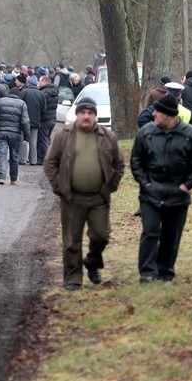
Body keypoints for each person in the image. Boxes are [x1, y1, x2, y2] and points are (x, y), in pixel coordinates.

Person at [43, 97, 124, 291]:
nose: (86, 116)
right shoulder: (64, 135)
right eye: (82, 112)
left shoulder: (107, 136)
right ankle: (73, 278)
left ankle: (93, 262)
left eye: (90, 113)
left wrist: (110, 186)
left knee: (101, 235)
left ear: (95, 115)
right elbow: (50, 162)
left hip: (99, 198)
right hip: (72, 198)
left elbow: (119, 164)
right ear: (77, 114)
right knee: (71, 241)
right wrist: (59, 186)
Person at [131, 93, 192, 283]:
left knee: (171, 235)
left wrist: (187, 185)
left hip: (178, 194)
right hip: (151, 193)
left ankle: (165, 273)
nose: (153, 115)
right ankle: (147, 273)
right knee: (150, 232)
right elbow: (136, 160)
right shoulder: (146, 133)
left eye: (157, 112)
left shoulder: (190, 134)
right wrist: (144, 182)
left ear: (168, 114)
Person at [0, 87, 30, 185]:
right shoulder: (22, 104)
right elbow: (25, 122)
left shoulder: (0, 101)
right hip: (15, 134)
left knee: (2, 155)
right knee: (14, 156)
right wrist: (27, 137)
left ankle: (1, 177)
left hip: (2, 132)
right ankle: (14, 178)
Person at [19, 75, 46, 165]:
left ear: (28, 83)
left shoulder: (24, 92)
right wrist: (39, 118)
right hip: (35, 121)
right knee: (33, 141)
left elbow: (19, 105)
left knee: (23, 139)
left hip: (24, 120)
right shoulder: (41, 94)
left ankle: (22, 159)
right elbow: (44, 109)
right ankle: (33, 160)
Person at [38, 75, 58, 162]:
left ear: (44, 82)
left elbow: (42, 107)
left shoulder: (44, 93)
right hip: (52, 118)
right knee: (47, 139)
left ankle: (46, 159)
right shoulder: (54, 91)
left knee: (42, 140)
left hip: (45, 119)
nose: (38, 83)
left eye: (40, 81)